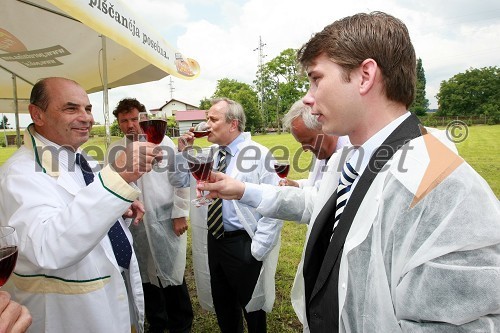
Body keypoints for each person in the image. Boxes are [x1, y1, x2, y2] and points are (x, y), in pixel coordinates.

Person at [198, 12, 500, 333]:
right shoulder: (351, 158)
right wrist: (241, 189)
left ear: (365, 76)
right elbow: (316, 205)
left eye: (316, 79)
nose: (308, 97)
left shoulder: (440, 181)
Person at [0, 77, 160, 332]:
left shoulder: (77, 157)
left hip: (111, 291)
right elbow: (47, 246)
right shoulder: (19, 174)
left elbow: (85, 205)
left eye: (88, 108)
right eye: (71, 108)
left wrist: (119, 206)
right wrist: (115, 180)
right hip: (72, 315)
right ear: (37, 115)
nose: (86, 118)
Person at [172, 98, 283, 333]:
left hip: (246, 242)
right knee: (223, 305)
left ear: (232, 124)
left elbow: (275, 205)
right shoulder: (208, 153)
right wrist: (184, 153)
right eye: (206, 119)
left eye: (212, 119)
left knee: (252, 308)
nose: (206, 125)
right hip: (216, 239)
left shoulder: (260, 154)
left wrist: (259, 248)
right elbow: (179, 180)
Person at [106, 98, 193, 333]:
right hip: (135, 221)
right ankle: (157, 322)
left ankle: (181, 324)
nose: (130, 125)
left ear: (142, 118)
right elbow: (111, 184)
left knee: (172, 272)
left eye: (134, 119)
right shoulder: (116, 150)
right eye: (124, 121)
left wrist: (180, 213)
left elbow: (181, 180)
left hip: (165, 218)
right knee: (145, 274)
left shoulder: (163, 142)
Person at [281, 99, 349, 189]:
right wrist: (297, 185)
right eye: (302, 143)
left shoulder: (350, 156)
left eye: (309, 140)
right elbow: (316, 184)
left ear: (324, 126)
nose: (305, 149)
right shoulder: (321, 152)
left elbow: (325, 193)